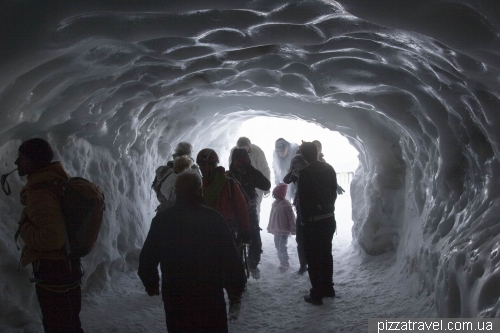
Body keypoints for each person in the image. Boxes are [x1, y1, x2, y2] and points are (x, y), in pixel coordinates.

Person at [138, 172, 247, 332]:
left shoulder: (163, 220)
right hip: (209, 294)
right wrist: (236, 289)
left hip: (176, 294)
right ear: (200, 191)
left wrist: (151, 284)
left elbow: (148, 257)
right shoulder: (213, 218)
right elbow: (230, 257)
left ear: (176, 192)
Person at [14, 138, 84, 332]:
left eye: (22, 157)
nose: (16, 162)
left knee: (57, 325)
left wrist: (24, 227)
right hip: (70, 265)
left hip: (53, 270)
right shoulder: (58, 181)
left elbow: (52, 237)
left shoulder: (39, 193)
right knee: (71, 323)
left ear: (34, 161)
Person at [298, 142, 338, 306]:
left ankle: (317, 294)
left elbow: (303, 200)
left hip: (313, 222)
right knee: (326, 255)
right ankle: (329, 288)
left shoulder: (305, 172)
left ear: (304, 156)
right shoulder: (329, 168)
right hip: (329, 218)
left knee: (313, 258)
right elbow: (334, 192)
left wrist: (304, 221)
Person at [227, 148, 271, 279]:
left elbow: (266, 185)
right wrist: (251, 169)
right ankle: (251, 265)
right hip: (246, 214)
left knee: (239, 243)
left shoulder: (230, 175)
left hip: (236, 216)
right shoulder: (244, 174)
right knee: (254, 241)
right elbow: (266, 185)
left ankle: (242, 269)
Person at [196, 148, 250, 249]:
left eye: (203, 165)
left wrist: (245, 231)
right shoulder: (200, 185)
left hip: (228, 234)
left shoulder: (229, 184)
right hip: (207, 234)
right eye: (200, 166)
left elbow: (242, 208)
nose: (201, 169)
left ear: (211, 165)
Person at [229, 137, 271, 217]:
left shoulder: (257, 151)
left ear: (249, 147)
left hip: (255, 183)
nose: (243, 152)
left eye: (245, 149)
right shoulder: (234, 151)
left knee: (255, 208)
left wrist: (266, 186)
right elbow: (231, 167)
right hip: (238, 184)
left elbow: (264, 169)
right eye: (240, 149)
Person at [152, 142, 200, 211]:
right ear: (189, 154)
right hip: (186, 213)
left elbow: (159, 192)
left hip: (166, 212)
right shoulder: (193, 171)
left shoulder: (166, 170)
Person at [283, 153, 309, 275]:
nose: (296, 168)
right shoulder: (295, 175)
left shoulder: (310, 173)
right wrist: (293, 171)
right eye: (294, 166)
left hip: (309, 209)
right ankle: (303, 265)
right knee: (300, 239)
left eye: (298, 165)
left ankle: (308, 263)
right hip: (300, 208)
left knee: (309, 239)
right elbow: (286, 180)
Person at [267, 183, 296, 272]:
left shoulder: (286, 205)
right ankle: (281, 260)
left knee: (282, 245)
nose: (274, 196)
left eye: (276, 195)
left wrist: (293, 228)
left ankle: (285, 262)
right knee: (277, 245)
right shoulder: (274, 204)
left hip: (284, 230)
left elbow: (291, 218)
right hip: (276, 229)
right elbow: (271, 216)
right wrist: (270, 226)